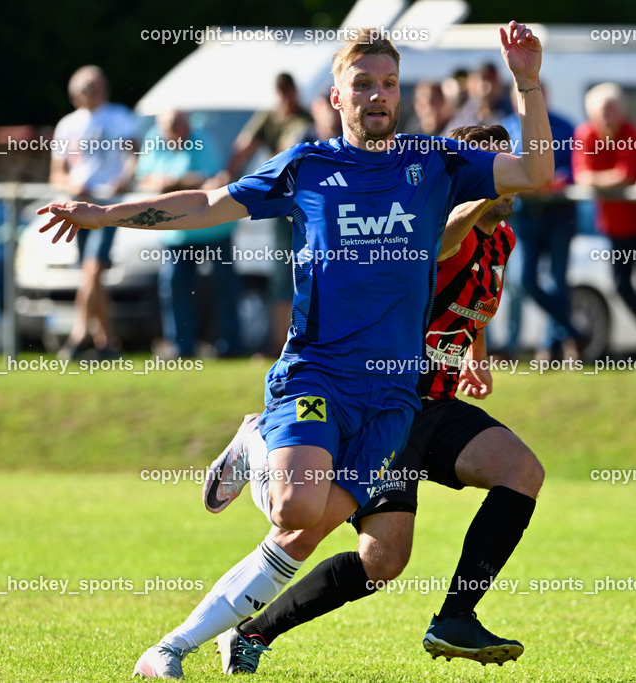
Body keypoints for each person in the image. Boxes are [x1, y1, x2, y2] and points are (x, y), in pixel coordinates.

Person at [36, 22, 554, 679]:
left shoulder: (434, 163)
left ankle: (172, 648)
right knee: (294, 506)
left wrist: (527, 83)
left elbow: (536, 169)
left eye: (389, 84)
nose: (378, 95)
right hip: (319, 373)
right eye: (362, 83)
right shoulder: (308, 166)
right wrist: (107, 213)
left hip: (393, 401)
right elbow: (208, 203)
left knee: (309, 534)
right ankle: (256, 445)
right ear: (336, 96)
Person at [206, 125, 542, 675]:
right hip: (385, 403)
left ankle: (456, 617)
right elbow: (441, 249)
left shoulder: (501, 237)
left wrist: (476, 351)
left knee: (520, 471)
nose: (508, 181)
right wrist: (475, 192)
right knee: (357, 550)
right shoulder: (432, 230)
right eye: (494, 167)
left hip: (435, 402)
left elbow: (472, 296)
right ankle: (248, 630)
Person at [216, 73, 312, 355]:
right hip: (284, 207)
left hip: (306, 206)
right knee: (283, 275)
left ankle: (303, 343)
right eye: (280, 94)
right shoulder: (269, 117)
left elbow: (290, 152)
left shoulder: (305, 120)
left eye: (288, 93)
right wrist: (227, 175)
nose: (285, 100)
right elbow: (244, 145)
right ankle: (278, 344)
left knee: (309, 272)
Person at [135, 110, 241, 358]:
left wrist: (173, 182)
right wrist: (174, 182)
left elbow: (210, 181)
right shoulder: (155, 138)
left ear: (185, 125)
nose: (173, 134)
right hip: (177, 233)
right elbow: (144, 178)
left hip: (214, 228)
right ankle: (181, 346)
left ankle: (230, 344)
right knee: (173, 286)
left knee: (224, 287)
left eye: (176, 127)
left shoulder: (201, 138)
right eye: (168, 128)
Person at [50, 65, 138, 360]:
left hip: (105, 206)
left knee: (93, 269)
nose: (95, 91)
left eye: (98, 85)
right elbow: (57, 174)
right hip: (79, 206)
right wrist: (72, 185)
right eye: (88, 86)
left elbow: (133, 155)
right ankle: (107, 342)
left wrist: (122, 182)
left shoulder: (118, 116)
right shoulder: (67, 125)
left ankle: (78, 334)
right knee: (92, 273)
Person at [573, 82, 636, 361]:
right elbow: (582, 177)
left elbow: (625, 174)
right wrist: (607, 179)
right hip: (613, 227)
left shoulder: (632, 134)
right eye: (603, 109)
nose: (608, 114)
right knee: (623, 287)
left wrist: (601, 180)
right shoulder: (585, 134)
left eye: (612, 108)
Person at [501, 82, 580, 361]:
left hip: (559, 212)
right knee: (525, 280)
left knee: (558, 280)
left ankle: (552, 345)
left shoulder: (564, 126)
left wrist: (554, 180)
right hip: (525, 215)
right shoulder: (506, 127)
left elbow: (574, 169)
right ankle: (572, 332)